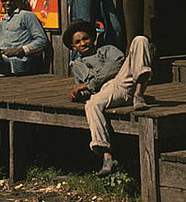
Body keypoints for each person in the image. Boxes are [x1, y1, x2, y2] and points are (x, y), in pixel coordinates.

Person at [64, 19, 153, 176]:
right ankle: (107, 157)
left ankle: (139, 94)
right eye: (78, 42)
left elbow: (115, 66)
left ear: (93, 38)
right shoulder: (76, 65)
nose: (83, 43)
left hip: (124, 81)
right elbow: (85, 90)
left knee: (140, 40)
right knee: (91, 105)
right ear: (73, 47)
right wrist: (78, 93)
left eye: (85, 38)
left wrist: (88, 85)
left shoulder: (107, 50)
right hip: (107, 92)